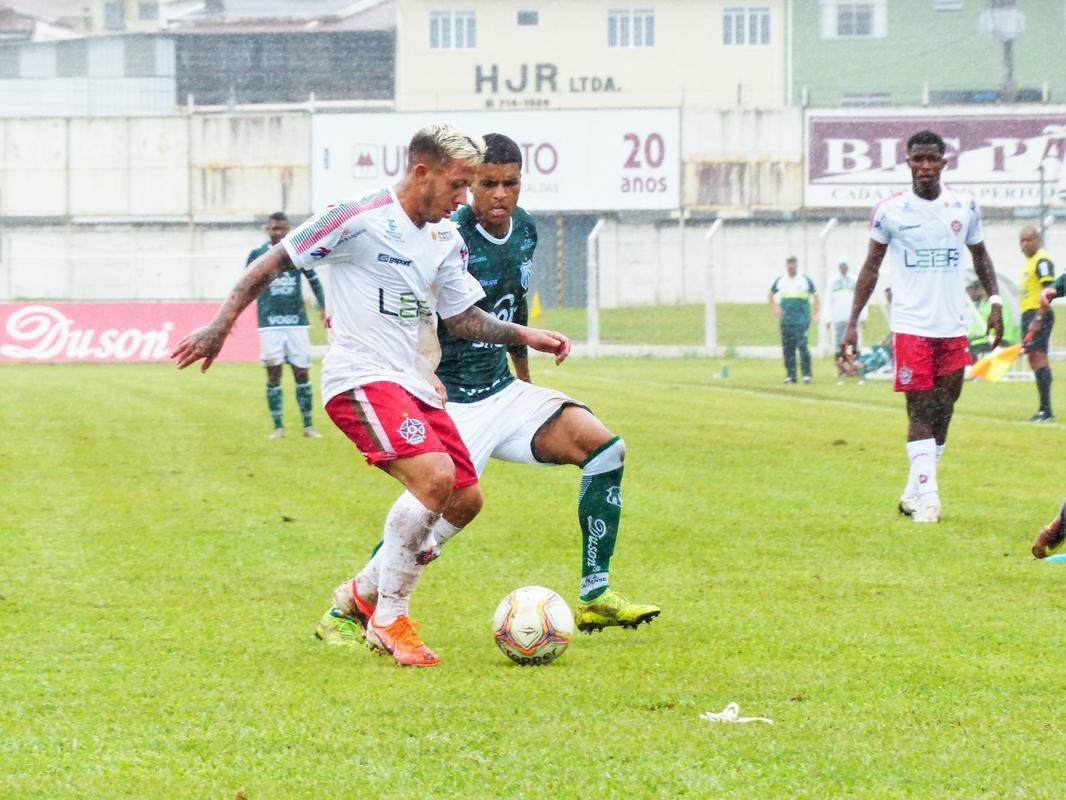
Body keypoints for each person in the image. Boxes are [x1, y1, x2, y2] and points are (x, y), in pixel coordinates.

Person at [172, 123, 571, 667]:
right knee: (434, 477)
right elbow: (269, 265)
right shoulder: (355, 217)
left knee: (465, 499)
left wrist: (527, 336)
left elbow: (462, 317)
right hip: (358, 377)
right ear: (421, 171)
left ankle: (360, 594)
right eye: (458, 186)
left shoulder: (444, 238)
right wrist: (220, 326)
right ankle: (389, 617)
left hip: (414, 383)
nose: (463, 200)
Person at [326, 133, 660, 639]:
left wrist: (524, 379)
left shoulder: (524, 229)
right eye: (486, 184)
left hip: (503, 391)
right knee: (431, 517)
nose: (499, 195)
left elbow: (515, 304)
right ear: (466, 183)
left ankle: (595, 595)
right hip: (451, 401)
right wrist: (421, 374)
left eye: (510, 183)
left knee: (605, 448)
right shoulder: (442, 228)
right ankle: (350, 607)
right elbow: (418, 312)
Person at [840, 129, 1003, 524]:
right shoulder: (890, 210)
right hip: (911, 326)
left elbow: (980, 255)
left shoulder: (963, 206)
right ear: (908, 163)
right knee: (920, 410)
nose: (926, 167)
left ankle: (914, 490)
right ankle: (930, 500)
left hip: (952, 326)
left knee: (945, 409)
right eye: (918, 160)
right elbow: (871, 268)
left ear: (944, 163)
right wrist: (851, 323)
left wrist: (995, 302)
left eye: (933, 159)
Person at [247, 211, 327, 439]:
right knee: (273, 374)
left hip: (296, 322)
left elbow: (314, 281)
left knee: (302, 372)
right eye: (273, 228)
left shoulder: (298, 252)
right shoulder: (257, 254)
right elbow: (247, 284)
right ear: (267, 230)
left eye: (281, 228)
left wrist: (323, 306)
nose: (277, 232)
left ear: (288, 229)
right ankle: (278, 427)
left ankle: (308, 426)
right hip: (269, 323)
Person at [1017, 226, 1056, 422]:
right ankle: (1044, 408)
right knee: (1033, 359)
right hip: (1029, 314)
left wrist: (1039, 318)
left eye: (1028, 240)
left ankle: (1046, 410)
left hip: (1039, 314)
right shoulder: (1029, 262)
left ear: (1037, 240)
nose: (1024, 244)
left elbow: (1048, 291)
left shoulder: (1042, 260)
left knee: (1039, 358)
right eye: (1022, 241)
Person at [768, 256, 819, 384]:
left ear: (797, 265)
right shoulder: (781, 280)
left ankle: (807, 375)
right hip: (786, 321)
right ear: (786, 266)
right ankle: (791, 375)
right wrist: (775, 308)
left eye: (793, 265)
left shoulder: (804, 280)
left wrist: (816, 314)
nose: (791, 268)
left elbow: (817, 297)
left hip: (801, 320)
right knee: (788, 348)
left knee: (803, 347)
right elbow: (770, 294)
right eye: (789, 265)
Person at [825, 260, 865, 381]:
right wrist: (828, 318)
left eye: (845, 267)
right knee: (839, 345)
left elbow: (862, 298)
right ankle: (841, 369)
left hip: (852, 319)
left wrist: (863, 316)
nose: (843, 269)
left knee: (852, 344)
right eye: (841, 267)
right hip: (838, 319)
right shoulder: (833, 282)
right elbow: (828, 300)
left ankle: (853, 368)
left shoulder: (854, 280)